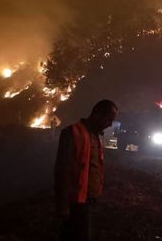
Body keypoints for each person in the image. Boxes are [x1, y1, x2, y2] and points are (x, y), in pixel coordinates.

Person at [55, 100, 118, 241]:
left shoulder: (96, 135)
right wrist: (63, 204)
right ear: (97, 114)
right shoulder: (72, 133)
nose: (110, 124)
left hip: (87, 200)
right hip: (75, 201)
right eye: (109, 119)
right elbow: (62, 169)